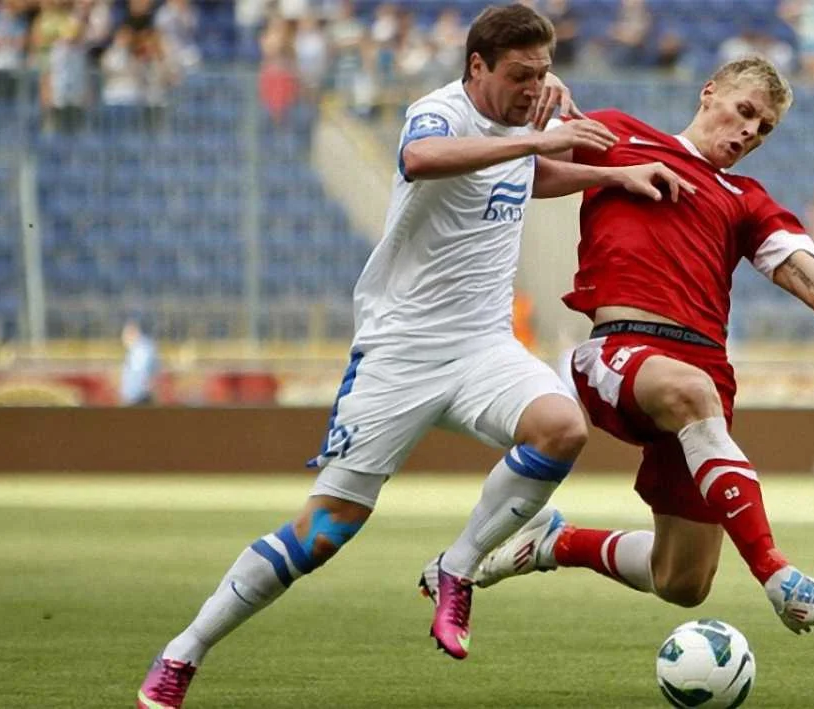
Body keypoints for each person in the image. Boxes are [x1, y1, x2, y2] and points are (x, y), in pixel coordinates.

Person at [136, 5, 694, 707]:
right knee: (323, 532)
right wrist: (535, 139)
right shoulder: (439, 112)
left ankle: (456, 568)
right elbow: (420, 160)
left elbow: (527, 176)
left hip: (484, 346)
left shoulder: (521, 126)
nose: (533, 88)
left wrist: (614, 176)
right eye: (519, 75)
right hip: (400, 353)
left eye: (542, 73)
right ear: (477, 67)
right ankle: (183, 652)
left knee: (561, 428)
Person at [472, 57, 814, 636]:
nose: (748, 133)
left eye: (763, 129)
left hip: (703, 377)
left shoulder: (747, 199)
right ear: (709, 92)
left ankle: (553, 543)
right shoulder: (619, 134)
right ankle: (781, 579)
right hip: (622, 351)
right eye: (744, 112)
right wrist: (536, 99)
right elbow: (519, 168)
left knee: (681, 579)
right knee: (690, 390)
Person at [120, 319, 158, 406]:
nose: (123, 339)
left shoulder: (141, 350)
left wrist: (130, 397)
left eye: (124, 335)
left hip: (139, 398)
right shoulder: (141, 348)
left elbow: (140, 375)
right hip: (138, 397)